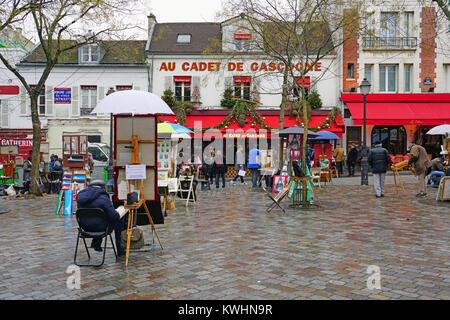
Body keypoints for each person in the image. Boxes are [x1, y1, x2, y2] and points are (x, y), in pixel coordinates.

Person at [76, 180, 125, 256]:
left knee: (96, 219)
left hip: (85, 227)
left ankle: (96, 243)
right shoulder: (103, 198)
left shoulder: (80, 196)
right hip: (100, 227)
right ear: (103, 188)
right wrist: (118, 213)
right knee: (119, 222)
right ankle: (121, 251)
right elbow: (113, 217)